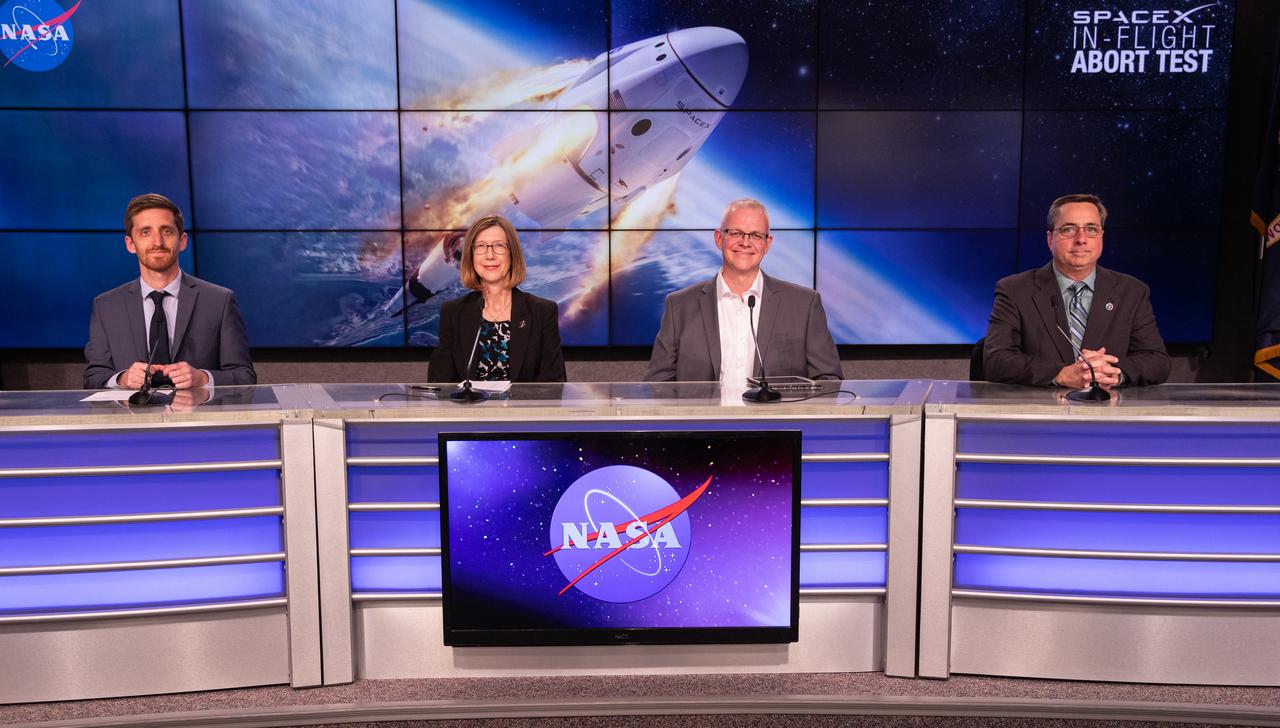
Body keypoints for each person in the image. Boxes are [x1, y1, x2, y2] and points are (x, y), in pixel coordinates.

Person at [983, 193, 1170, 388]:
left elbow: (1157, 361)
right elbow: (995, 360)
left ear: (1101, 237)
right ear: (1050, 239)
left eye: (1091, 229)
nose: (1081, 239)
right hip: (1040, 412)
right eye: (1068, 229)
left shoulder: (1132, 292)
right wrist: (1060, 374)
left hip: (1109, 411)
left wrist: (1113, 373)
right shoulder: (1014, 290)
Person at [644, 199, 842, 383]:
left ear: (767, 244)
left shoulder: (804, 305)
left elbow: (828, 381)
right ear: (718, 238)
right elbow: (658, 385)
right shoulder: (680, 306)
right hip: (704, 421)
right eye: (736, 233)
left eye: (756, 235)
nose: (745, 242)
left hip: (776, 422)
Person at [84, 194, 256, 390]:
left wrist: (203, 378)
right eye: (145, 232)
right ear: (130, 244)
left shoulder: (219, 301)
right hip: (133, 419)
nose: (157, 242)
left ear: (182, 241)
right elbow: (93, 378)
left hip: (197, 418)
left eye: (166, 231)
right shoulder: (106, 306)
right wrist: (122, 379)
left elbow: (245, 377)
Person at [428, 215, 566, 382]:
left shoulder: (542, 312)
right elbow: (441, 384)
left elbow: (552, 386)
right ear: (471, 255)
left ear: (512, 253)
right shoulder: (453, 312)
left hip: (523, 408)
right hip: (468, 408)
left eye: (499, 246)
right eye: (481, 246)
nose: (490, 255)